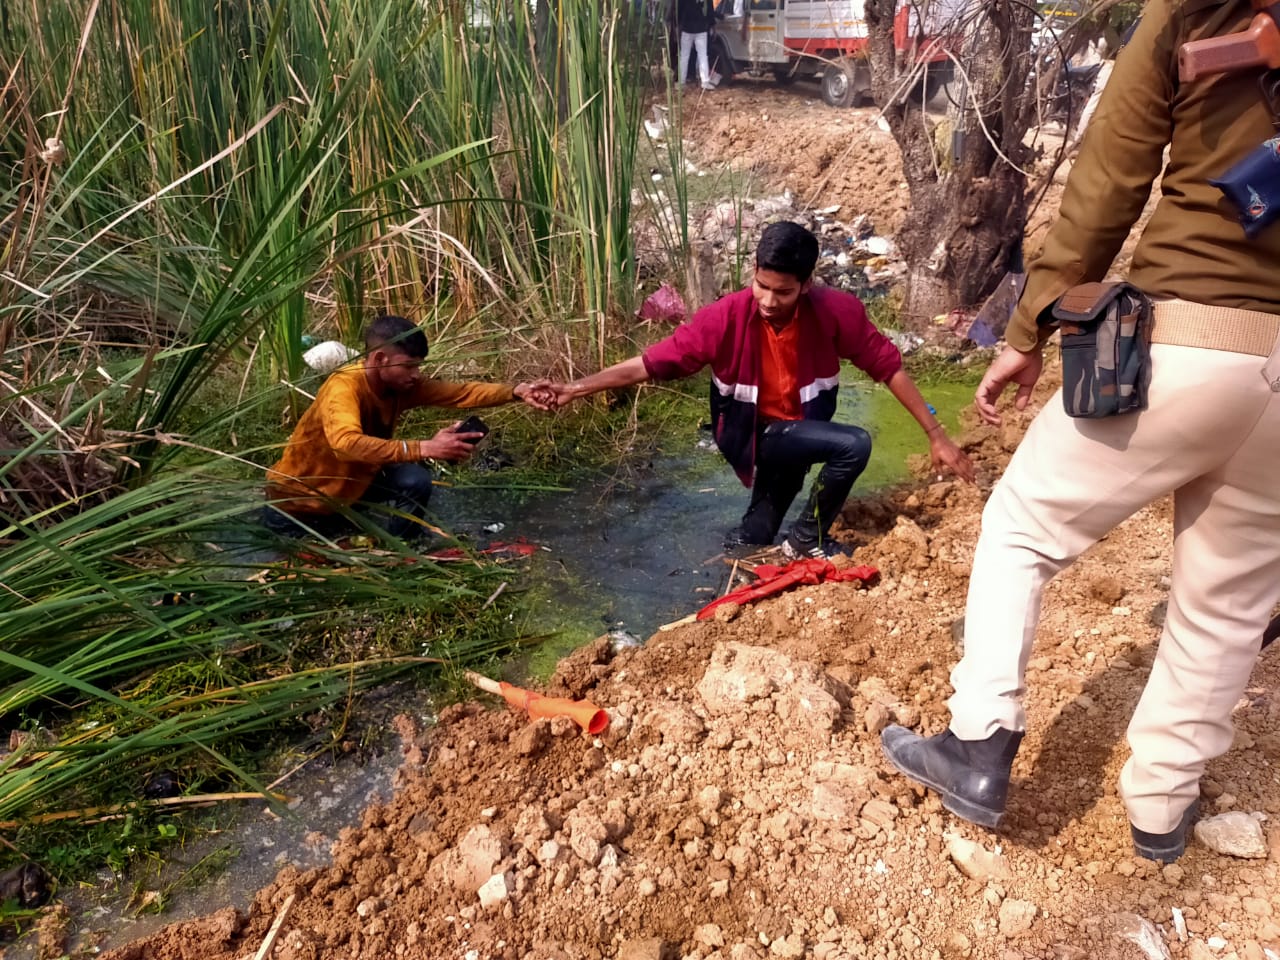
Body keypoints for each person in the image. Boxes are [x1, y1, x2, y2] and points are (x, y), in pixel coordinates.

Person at [880, 0, 1280, 863]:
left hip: (1186, 339)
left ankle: (980, 743)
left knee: (1022, 525)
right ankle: (1162, 808)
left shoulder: (1194, 10)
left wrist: (1027, 332)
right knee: (1228, 600)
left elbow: (1106, 183)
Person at [544, 221, 974, 557]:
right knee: (854, 444)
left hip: (798, 432)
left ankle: (735, 558)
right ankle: (807, 540)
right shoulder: (724, 318)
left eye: (783, 292)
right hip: (757, 436)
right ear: (753, 273)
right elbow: (648, 364)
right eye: (761, 286)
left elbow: (889, 367)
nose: (768, 301)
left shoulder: (836, 312)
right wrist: (574, 388)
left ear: (807, 284)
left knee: (756, 534)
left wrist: (936, 434)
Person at [263, 314, 552, 541]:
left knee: (415, 478)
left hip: (350, 492)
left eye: (419, 367)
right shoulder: (344, 386)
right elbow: (345, 444)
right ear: (379, 359)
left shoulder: (400, 385)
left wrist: (516, 391)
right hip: (298, 505)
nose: (416, 375)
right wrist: (425, 447)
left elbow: (461, 392)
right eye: (409, 366)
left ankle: (403, 546)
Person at [677, 0, 718, 91]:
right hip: (701, 27)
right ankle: (705, 82)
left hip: (687, 28)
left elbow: (679, 11)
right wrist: (713, 26)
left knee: (684, 56)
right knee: (703, 56)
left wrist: (678, 27)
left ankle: (681, 82)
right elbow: (710, 12)